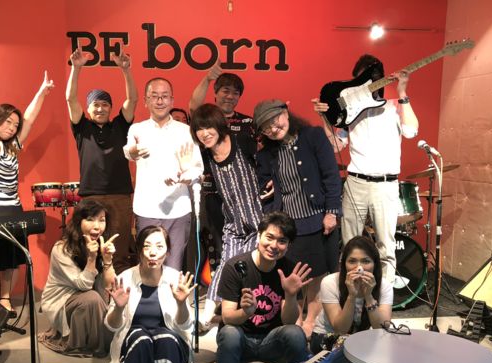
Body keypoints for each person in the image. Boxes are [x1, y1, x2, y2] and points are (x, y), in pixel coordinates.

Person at [312, 54, 419, 283]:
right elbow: (336, 145)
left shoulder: (393, 107)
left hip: (386, 184)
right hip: (356, 182)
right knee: (350, 244)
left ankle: (384, 296)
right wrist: (324, 118)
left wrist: (402, 92)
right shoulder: (351, 113)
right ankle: (350, 293)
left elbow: (411, 131)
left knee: (386, 246)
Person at [0, 54, 54, 316]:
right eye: (8, 122)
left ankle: (4, 300)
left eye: (15, 125)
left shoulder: (13, 146)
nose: (13, 127)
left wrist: (42, 92)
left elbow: (30, 118)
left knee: (10, 260)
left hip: (11, 209)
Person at [215, 211, 311, 363]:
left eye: (282, 241)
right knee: (229, 334)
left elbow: (289, 321)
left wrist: (290, 295)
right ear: (258, 236)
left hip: (270, 340)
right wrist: (246, 312)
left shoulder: (290, 271)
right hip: (241, 339)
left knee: (296, 333)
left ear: (288, 245)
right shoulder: (235, 266)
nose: (274, 245)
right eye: (269, 237)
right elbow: (227, 317)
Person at [254, 100, 342, 338]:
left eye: (275, 121)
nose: (273, 129)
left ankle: (311, 321)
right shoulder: (266, 154)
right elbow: (263, 187)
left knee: (317, 275)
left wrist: (331, 212)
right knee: (293, 276)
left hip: (318, 219)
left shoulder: (313, 137)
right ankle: (296, 321)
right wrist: (269, 205)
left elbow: (331, 176)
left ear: (285, 113)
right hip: (289, 225)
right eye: (266, 127)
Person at [104, 226, 196, 363]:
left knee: (166, 339)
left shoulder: (175, 278)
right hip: (135, 338)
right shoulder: (125, 278)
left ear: (168, 251)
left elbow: (185, 324)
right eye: (147, 246)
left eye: (159, 246)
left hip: (168, 337)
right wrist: (118, 308)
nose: (153, 252)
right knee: (142, 339)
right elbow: (112, 326)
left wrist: (182, 303)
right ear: (139, 250)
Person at [310, 235, 403, 363]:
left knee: (389, 342)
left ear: (375, 264)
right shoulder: (330, 282)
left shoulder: (384, 286)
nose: (358, 267)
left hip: (360, 338)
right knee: (348, 342)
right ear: (343, 264)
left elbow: (381, 327)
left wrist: (368, 296)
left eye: (365, 261)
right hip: (326, 337)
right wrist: (352, 296)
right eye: (352, 261)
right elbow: (340, 327)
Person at [188, 62, 256, 325]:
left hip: (250, 209)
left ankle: (242, 306)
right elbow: (194, 107)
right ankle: (211, 309)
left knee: (246, 257)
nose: (230, 96)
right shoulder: (205, 135)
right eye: (225, 91)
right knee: (220, 254)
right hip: (219, 205)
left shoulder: (247, 127)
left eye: (235, 92)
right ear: (215, 93)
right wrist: (206, 78)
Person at [66, 45, 137, 273]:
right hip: (91, 195)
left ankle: (120, 291)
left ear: (110, 108)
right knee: (90, 251)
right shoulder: (82, 127)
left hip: (120, 196)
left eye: (105, 104)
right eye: (96, 104)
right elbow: (70, 99)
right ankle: (93, 289)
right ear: (88, 108)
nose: (100, 108)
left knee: (120, 252)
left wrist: (126, 70)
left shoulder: (120, 125)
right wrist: (76, 68)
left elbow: (132, 100)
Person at [123, 78, 203, 270]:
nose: (160, 101)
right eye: (154, 96)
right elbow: (129, 151)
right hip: (147, 208)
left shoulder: (185, 131)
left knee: (174, 266)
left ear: (172, 100)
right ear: (145, 101)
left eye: (164, 96)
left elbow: (198, 169)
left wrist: (185, 175)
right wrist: (133, 151)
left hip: (179, 209)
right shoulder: (137, 129)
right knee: (149, 265)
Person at [40, 199, 117, 356]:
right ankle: (90, 344)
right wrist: (91, 258)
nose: (97, 226)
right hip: (61, 300)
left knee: (113, 300)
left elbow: (111, 287)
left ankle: (99, 340)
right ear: (78, 222)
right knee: (91, 299)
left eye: (101, 220)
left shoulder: (102, 243)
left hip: (92, 297)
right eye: (90, 219)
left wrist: (107, 260)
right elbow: (83, 285)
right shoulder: (61, 249)